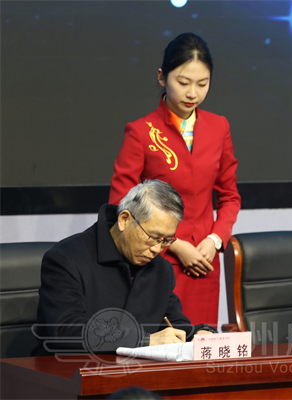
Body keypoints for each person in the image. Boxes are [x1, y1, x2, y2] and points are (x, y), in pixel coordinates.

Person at [109, 33, 241, 326]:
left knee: (201, 340)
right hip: (156, 258)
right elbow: (120, 204)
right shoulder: (141, 131)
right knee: (163, 341)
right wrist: (174, 244)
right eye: (183, 82)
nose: (192, 93)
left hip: (204, 261)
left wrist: (215, 239)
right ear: (161, 77)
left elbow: (230, 196)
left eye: (202, 84)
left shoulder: (219, 127)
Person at [34, 180, 216, 355]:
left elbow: (175, 325)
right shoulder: (66, 259)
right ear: (124, 219)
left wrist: (201, 334)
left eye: (166, 241)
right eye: (153, 237)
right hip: (68, 370)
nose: (156, 249)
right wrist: (144, 340)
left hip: (132, 371)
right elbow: (66, 330)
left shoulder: (160, 269)